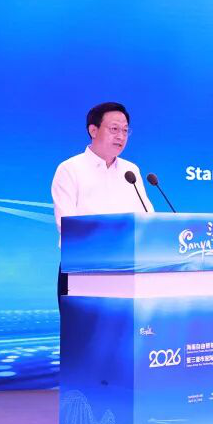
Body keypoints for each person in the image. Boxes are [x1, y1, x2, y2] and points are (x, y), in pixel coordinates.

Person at [51, 101, 154, 296]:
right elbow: (66, 225)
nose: (121, 136)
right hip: (82, 268)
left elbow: (147, 217)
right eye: (114, 129)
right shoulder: (70, 169)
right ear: (93, 130)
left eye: (125, 130)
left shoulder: (131, 170)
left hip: (128, 269)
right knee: (83, 318)